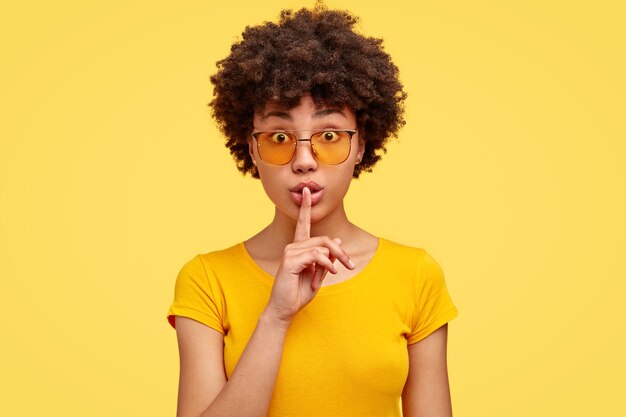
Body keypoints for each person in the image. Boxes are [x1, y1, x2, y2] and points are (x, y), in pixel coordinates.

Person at [166, 4, 459, 417]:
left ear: (360, 146)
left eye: (329, 135)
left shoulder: (416, 275)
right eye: (280, 136)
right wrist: (276, 315)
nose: (304, 159)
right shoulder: (206, 281)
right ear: (252, 148)